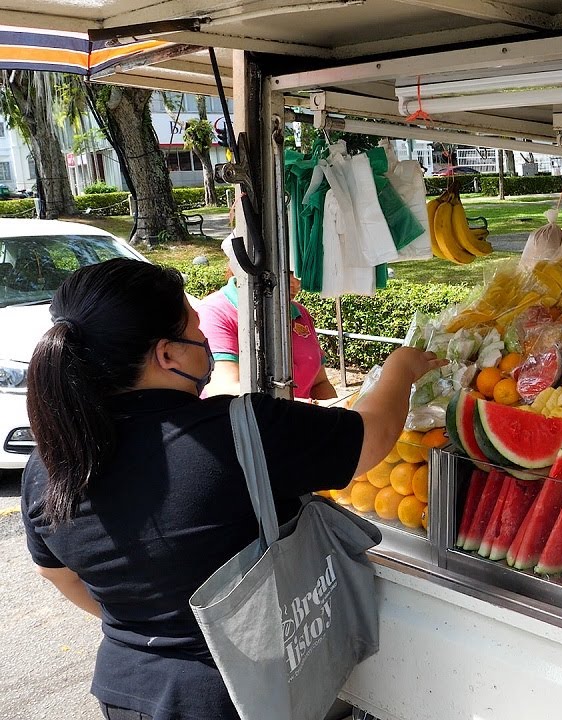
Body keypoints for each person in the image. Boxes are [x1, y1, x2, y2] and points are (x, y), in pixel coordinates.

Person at [20, 258, 442, 720]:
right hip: (240, 695)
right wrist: (400, 368)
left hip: (126, 690)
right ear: (168, 355)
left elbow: (57, 573)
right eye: (197, 330)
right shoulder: (240, 430)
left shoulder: (48, 462)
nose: (205, 340)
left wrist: (154, 625)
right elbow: (371, 439)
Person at [197, 237, 336, 400]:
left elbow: (320, 383)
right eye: (288, 272)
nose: (296, 283)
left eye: (300, 272)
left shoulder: (301, 313)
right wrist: (305, 412)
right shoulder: (215, 312)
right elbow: (224, 389)